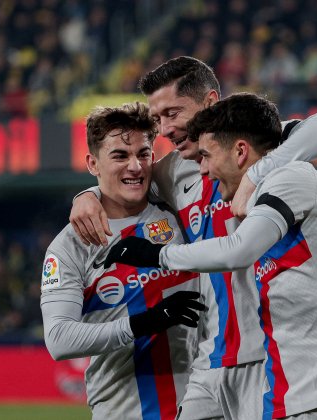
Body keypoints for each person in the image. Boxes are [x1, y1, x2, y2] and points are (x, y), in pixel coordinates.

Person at [70, 56, 317, 419]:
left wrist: (259, 172)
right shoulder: (170, 173)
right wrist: (87, 196)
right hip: (210, 359)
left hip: (268, 354)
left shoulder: (254, 148)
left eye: (173, 113)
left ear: (209, 101)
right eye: (158, 119)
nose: (165, 128)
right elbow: (123, 179)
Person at [105, 93, 317, 419]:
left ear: (240, 151)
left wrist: (157, 254)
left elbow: (240, 249)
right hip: (298, 390)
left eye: (207, 156)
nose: (203, 170)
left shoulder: (291, 178)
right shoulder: (264, 194)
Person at [40, 102, 206, 419]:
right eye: (120, 156)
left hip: (204, 403)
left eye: (143, 154)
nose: (135, 166)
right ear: (92, 163)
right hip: (124, 410)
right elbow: (59, 340)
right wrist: (145, 322)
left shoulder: (178, 208)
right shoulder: (69, 246)